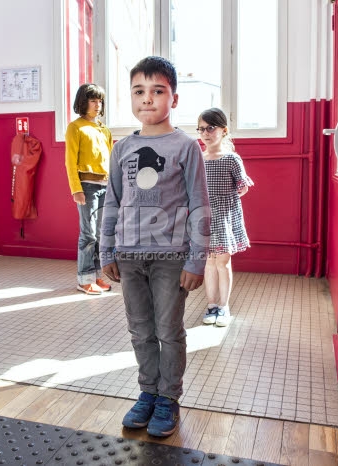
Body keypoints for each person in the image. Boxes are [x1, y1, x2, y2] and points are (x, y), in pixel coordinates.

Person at [100, 56, 211, 437]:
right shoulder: (121, 148)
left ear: (174, 99)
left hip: (170, 258)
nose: (148, 99)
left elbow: (200, 204)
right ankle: (147, 393)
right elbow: (111, 202)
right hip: (129, 257)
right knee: (140, 331)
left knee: (169, 330)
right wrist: (106, 251)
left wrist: (197, 260)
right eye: (139, 91)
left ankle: (168, 398)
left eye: (157, 91)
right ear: (131, 98)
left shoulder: (186, 147)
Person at [197, 108, 253, 327]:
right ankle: (211, 305)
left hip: (224, 218)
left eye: (210, 128)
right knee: (209, 263)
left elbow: (242, 185)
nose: (205, 133)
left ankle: (224, 306)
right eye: (201, 129)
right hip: (204, 218)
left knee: (222, 262)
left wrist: (238, 190)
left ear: (223, 130)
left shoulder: (231, 158)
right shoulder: (199, 158)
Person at [65, 83, 113, 295]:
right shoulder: (75, 127)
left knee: (102, 235)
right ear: (83, 103)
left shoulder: (103, 129)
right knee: (88, 234)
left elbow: (112, 160)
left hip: (106, 186)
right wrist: (76, 189)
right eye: (93, 100)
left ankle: (97, 277)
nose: (97, 104)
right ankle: (84, 279)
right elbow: (69, 161)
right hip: (87, 187)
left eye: (100, 101)